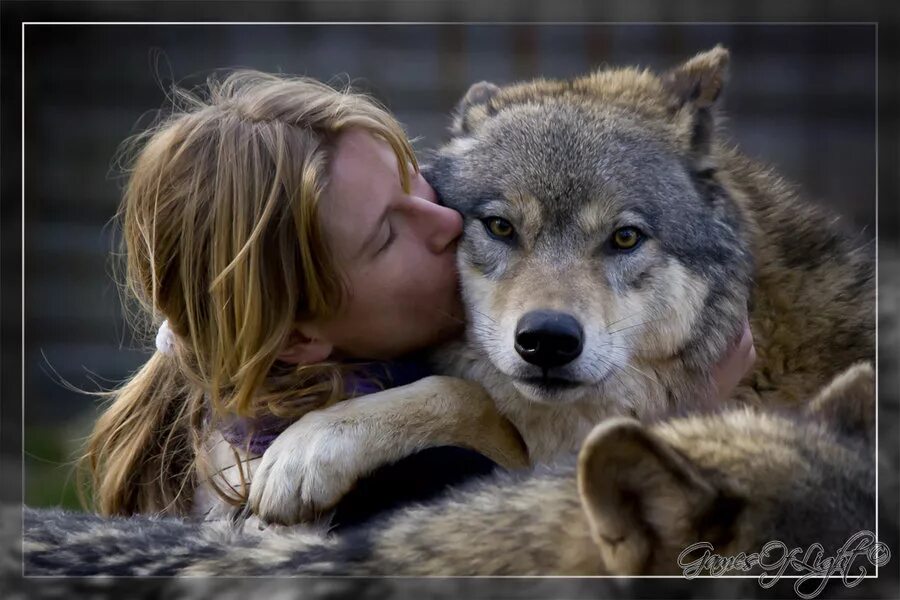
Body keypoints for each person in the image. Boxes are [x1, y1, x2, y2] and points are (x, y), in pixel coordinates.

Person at [80, 70, 755, 521]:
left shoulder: (230, 386)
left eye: (418, 186)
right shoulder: (411, 488)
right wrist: (676, 438)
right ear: (297, 338)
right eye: (385, 236)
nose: (448, 223)